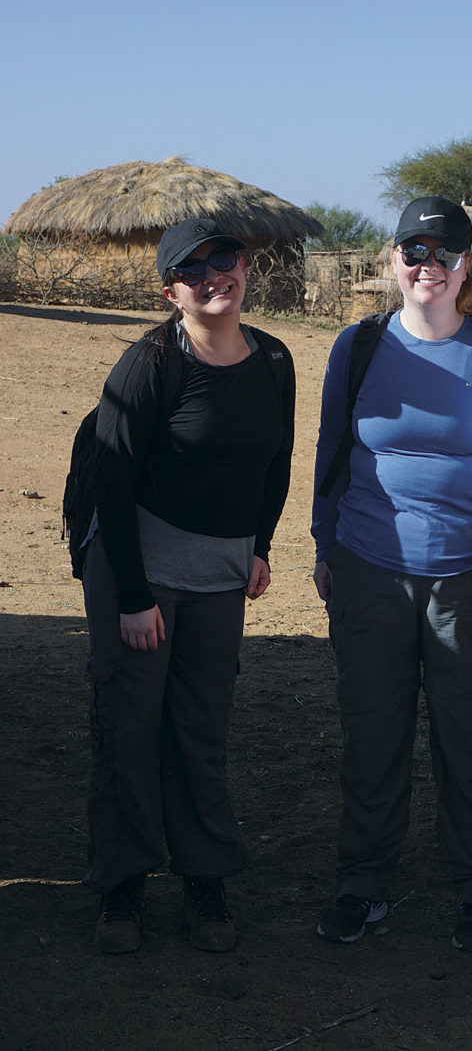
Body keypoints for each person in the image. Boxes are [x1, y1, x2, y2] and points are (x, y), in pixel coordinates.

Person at [312, 196, 472, 951]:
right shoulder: (359, 346)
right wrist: (324, 546)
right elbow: (333, 449)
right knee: (373, 734)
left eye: (443, 253)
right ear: (391, 262)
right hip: (370, 568)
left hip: (471, 576)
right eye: (413, 252)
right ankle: (362, 885)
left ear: (467, 266)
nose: (426, 266)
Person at [82, 218, 295, 954]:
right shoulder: (146, 364)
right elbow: (111, 480)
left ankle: (205, 880)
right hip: (140, 574)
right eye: (193, 269)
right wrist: (135, 596)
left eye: (225, 260)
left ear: (244, 268)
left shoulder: (273, 358)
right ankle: (122, 887)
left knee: (201, 730)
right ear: (169, 290)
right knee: (130, 728)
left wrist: (259, 549)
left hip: (218, 577)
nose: (215, 277)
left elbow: (276, 463)